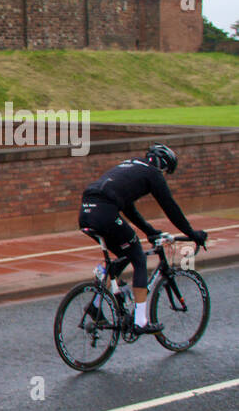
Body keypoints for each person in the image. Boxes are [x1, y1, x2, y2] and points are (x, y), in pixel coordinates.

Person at [79, 143, 207, 334]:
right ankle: (140, 321)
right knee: (138, 257)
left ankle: (96, 302)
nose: (164, 176)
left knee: (124, 253)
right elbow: (170, 207)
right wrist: (192, 233)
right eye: (166, 172)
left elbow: (128, 208)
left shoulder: (132, 166)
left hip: (86, 213)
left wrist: (149, 230)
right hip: (105, 213)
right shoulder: (153, 173)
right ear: (163, 166)